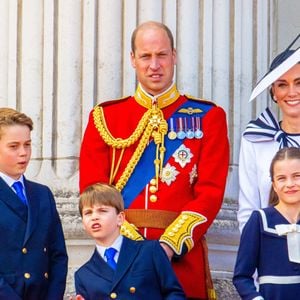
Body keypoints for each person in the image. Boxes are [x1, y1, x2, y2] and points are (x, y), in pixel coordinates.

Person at [79, 21, 229, 299]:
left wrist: (168, 246)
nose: (154, 65)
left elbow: (210, 192)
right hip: (121, 257)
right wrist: (135, 249)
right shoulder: (105, 118)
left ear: (174, 55)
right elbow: (93, 193)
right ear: (133, 60)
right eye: (146, 56)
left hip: (181, 261)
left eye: (161, 55)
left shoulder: (208, 117)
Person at [74, 183, 186, 300]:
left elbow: (174, 294)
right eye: (88, 213)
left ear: (120, 218)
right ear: (83, 223)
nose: (94, 217)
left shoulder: (150, 251)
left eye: (102, 211)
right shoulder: (83, 275)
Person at [0, 107, 68, 299]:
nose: (23, 153)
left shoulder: (42, 194)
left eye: (27, 145)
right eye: (13, 146)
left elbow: (58, 256)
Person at [238, 34, 300, 232]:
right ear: (273, 91)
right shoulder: (256, 139)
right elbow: (248, 209)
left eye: (299, 83)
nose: (292, 92)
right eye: (282, 84)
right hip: (271, 252)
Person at [233, 147, 300, 299]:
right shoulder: (260, 220)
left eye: (297, 176)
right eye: (282, 178)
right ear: (274, 185)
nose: (290, 184)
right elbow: (241, 277)